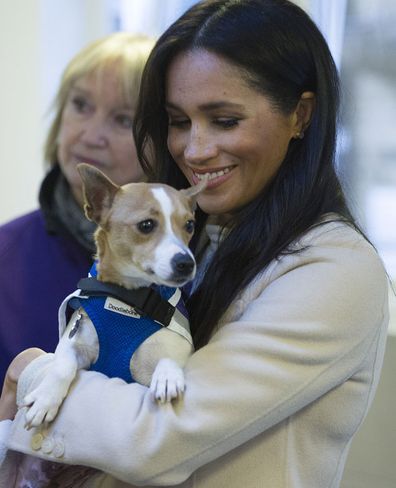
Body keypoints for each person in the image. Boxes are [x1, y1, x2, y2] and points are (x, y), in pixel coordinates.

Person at [0, 1, 390, 487]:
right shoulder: (199, 241)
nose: (194, 150)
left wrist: (33, 373)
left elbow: (160, 434)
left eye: (224, 120)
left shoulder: (334, 269)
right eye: (178, 122)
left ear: (300, 116)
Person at [0, 33, 155, 383]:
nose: (89, 135)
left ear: (159, 141)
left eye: (122, 120)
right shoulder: (5, 256)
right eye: (81, 105)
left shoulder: (194, 261)